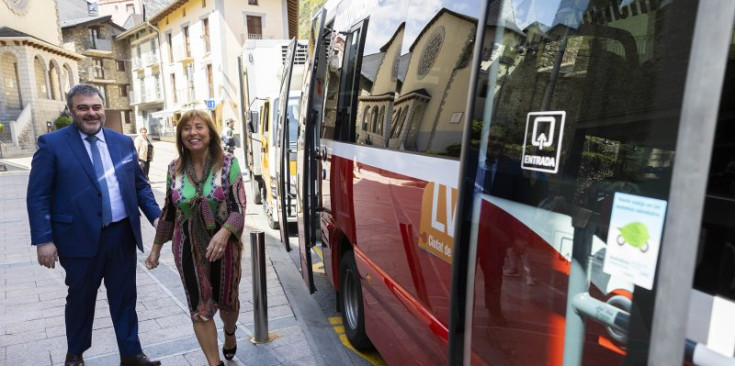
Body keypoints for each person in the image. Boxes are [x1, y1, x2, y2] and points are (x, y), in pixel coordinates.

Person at [26, 84, 162, 366]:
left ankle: (131, 353)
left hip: (121, 235)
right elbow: (38, 195)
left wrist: (157, 217)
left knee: (124, 297)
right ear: (71, 110)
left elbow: (140, 186)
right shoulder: (52, 144)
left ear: (103, 109)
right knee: (80, 299)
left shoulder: (122, 142)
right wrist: (44, 239)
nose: (91, 113)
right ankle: (75, 354)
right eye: (83, 107)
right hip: (77, 238)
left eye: (96, 107)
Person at [145, 110, 246, 366]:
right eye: (187, 128)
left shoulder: (228, 163)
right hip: (188, 245)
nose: (193, 133)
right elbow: (168, 211)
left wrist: (223, 235)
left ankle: (230, 333)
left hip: (225, 244)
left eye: (199, 127)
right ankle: (214, 363)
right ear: (181, 136)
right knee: (200, 307)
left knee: (228, 303)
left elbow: (238, 207)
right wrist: (156, 249)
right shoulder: (173, 169)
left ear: (210, 132)